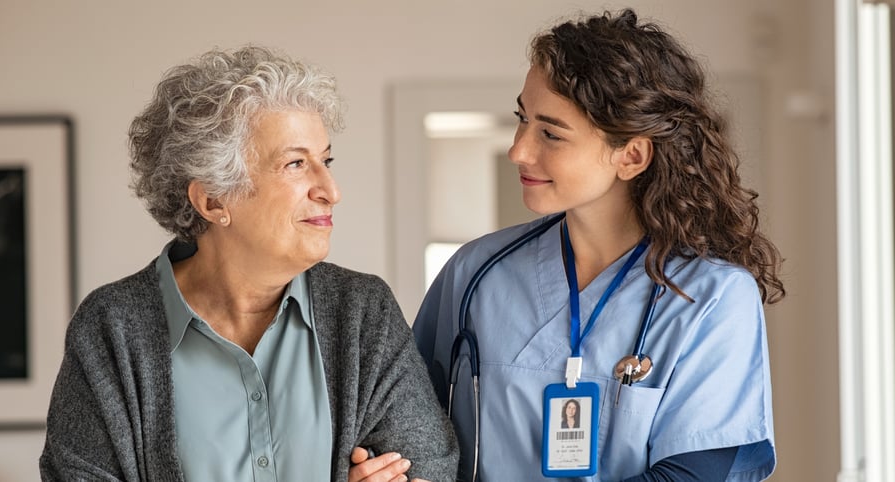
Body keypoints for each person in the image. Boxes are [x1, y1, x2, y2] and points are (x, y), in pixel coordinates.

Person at [39, 45, 457, 482]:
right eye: (296, 163)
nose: (330, 189)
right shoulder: (110, 329)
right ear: (213, 199)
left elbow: (429, 468)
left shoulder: (363, 312)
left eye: (325, 160)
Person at [413, 9, 783, 482]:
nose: (518, 150)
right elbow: (406, 426)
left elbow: (697, 473)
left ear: (631, 155)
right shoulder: (476, 273)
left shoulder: (712, 298)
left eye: (550, 132)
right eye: (521, 119)